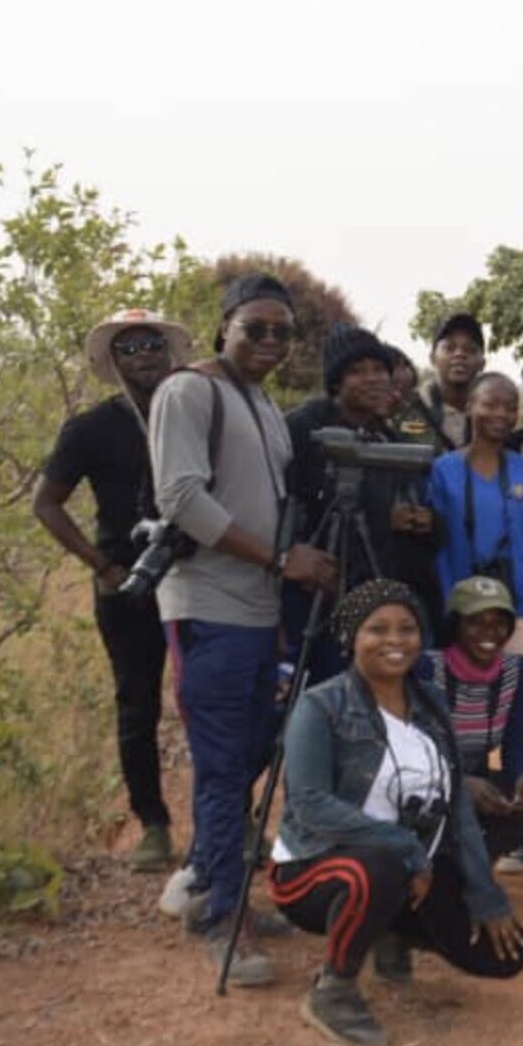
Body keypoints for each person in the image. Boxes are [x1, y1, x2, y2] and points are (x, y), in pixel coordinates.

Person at [149, 272, 338, 983]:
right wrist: (281, 559)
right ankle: (225, 909)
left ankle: (214, 877)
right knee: (226, 763)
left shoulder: (258, 402)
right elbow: (182, 498)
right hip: (210, 605)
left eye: (281, 332)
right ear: (222, 324)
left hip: (260, 611)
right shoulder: (189, 391)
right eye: (254, 327)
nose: (268, 342)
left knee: (259, 746)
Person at [270, 580, 523, 1046]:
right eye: (378, 630)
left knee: (507, 956)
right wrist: (403, 845)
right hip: (317, 867)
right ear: (352, 639)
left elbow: (457, 810)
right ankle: (335, 989)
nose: (395, 641)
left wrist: (486, 894)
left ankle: (390, 931)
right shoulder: (321, 706)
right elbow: (309, 804)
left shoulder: (431, 706)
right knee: (381, 866)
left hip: (412, 866)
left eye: (408, 629)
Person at [33, 308, 193, 872]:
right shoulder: (91, 428)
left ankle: (235, 817)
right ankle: (153, 823)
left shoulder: (195, 415)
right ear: (112, 361)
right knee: (137, 703)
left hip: (199, 577)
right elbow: (46, 502)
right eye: (129, 348)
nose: (145, 354)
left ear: (170, 353)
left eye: (153, 343)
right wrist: (101, 566)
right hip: (127, 584)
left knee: (213, 701)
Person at [285, 324, 442, 659]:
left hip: (375, 592)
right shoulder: (303, 428)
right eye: (357, 371)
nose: (372, 379)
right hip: (315, 591)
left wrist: (421, 522)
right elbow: (284, 503)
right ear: (336, 382)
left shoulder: (389, 440)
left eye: (379, 370)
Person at [418, 575, 523, 864]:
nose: (489, 632)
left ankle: (477, 862)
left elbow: (517, 745)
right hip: (425, 784)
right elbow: (412, 754)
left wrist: (521, 776)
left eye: (499, 623)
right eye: (475, 622)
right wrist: (459, 785)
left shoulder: (519, 671)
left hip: (477, 781)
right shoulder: (426, 667)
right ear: (456, 625)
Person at [427, 372, 523, 690]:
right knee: (463, 707)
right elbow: (438, 548)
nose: (501, 415)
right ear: (469, 407)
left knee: (518, 704)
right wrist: (450, 607)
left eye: (510, 407)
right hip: (463, 609)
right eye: (490, 404)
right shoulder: (443, 471)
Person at [420, 312, 485, 450]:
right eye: (449, 348)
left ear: (482, 363)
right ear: (432, 358)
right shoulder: (406, 409)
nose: (459, 354)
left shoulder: (492, 415)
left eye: (470, 349)